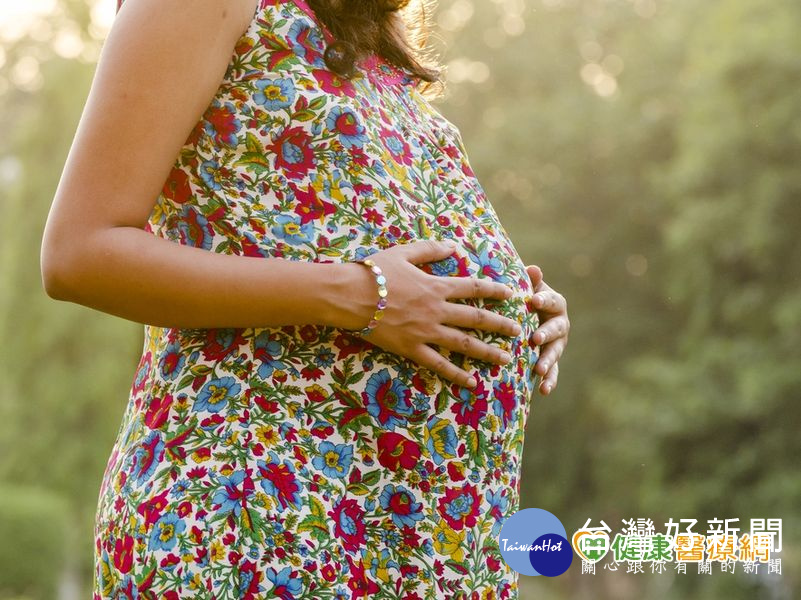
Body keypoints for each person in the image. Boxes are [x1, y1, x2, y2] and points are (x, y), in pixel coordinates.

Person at [40, 0, 570, 598]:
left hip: (421, 540)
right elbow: (79, 252)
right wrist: (360, 293)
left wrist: (518, 305)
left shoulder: (368, 42)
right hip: (259, 520)